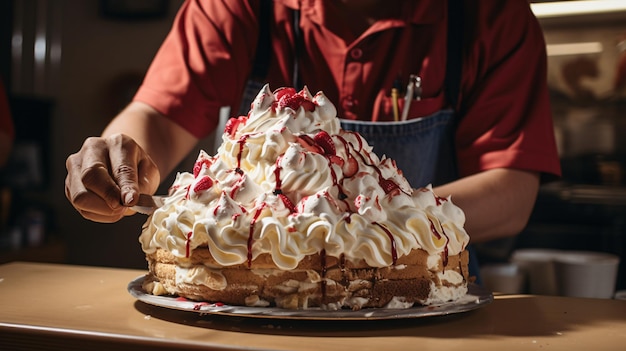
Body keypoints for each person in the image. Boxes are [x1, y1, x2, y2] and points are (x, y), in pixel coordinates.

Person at [65, 0, 561, 275]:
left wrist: (371, 222)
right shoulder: (237, 7)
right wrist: (116, 155)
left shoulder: (491, 16)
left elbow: (513, 191)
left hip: (420, 308)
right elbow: (155, 117)